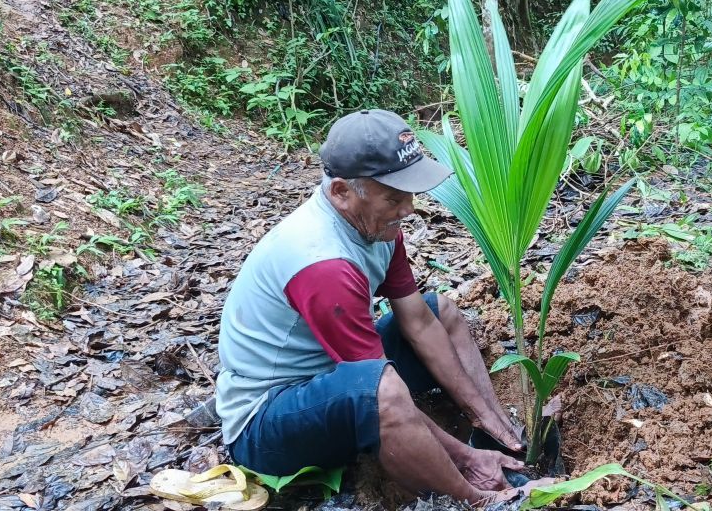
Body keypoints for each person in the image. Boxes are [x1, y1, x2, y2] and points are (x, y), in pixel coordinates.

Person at [215, 109, 533, 503]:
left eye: (410, 195)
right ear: (341, 193)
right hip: (266, 423)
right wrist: (467, 459)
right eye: (393, 197)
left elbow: (418, 320)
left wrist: (485, 418)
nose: (409, 209)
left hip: (330, 379)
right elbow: (379, 387)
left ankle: (497, 428)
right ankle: (480, 499)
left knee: (441, 311)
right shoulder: (323, 265)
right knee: (382, 391)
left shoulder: (378, 227)